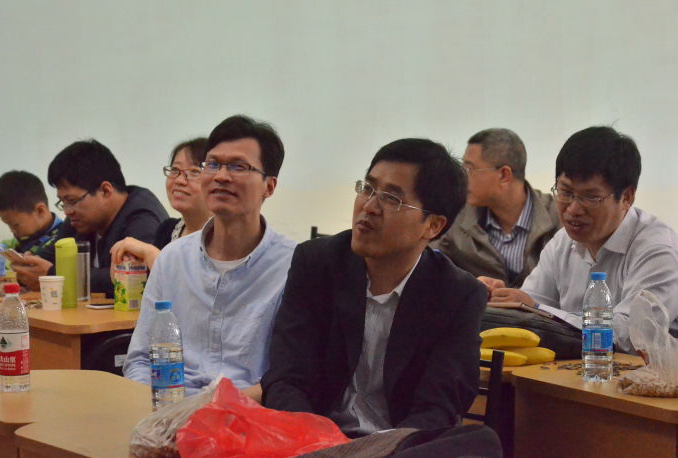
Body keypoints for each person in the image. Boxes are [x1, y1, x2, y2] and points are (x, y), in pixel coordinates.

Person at [261, 138, 487, 436]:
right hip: (315, 441)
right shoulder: (317, 263)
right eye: (367, 189)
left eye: (391, 199)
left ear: (432, 226)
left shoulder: (457, 294)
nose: (368, 207)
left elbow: (438, 409)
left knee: (482, 442)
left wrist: (381, 450)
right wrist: (317, 444)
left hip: (400, 447)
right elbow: (287, 378)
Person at [484, 126, 678, 354]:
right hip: (592, 369)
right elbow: (529, 308)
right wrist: (498, 298)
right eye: (565, 192)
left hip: (673, 374)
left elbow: (629, 337)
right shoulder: (562, 242)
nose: (573, 209)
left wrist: (536, 308)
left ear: (627, 197)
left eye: (591, 197)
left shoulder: (658, 250)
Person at [123, 115, 295, 395]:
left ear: (269, 186)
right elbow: (141, 360)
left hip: (249, 412)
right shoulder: (172, 259)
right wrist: (162, 408)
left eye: (239, 166)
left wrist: (213, 408)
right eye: (212, 164)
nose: (221, 176)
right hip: (170, 406)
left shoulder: (292, 267)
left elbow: (292, 376)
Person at [10, 140, 168, 296]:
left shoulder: (143, 219)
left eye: (72, 201)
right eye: (63, 202)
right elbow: (52, 256)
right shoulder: (80, 219)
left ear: (106, 191)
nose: (67, 211)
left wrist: (54, 275)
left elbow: (133, 276)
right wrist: (29, 265)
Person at [433, 128, 560, 288]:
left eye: (470, 169)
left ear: (504, 175)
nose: (463, 178)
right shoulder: (457, 217)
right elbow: (426, 263)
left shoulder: (560, 217)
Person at [110, 138, 212, 269]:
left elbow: (190, 281)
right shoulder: (167, 229)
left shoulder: (220, 237)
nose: (179, 180)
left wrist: (150, 253)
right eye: (175, 170)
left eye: (194, 172)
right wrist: (131, 267)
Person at [0, 171, 63, 288]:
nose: (12, 230)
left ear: (40, 211)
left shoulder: (63, 238)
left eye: (15, 225)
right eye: (7, 224)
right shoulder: (23, 238)